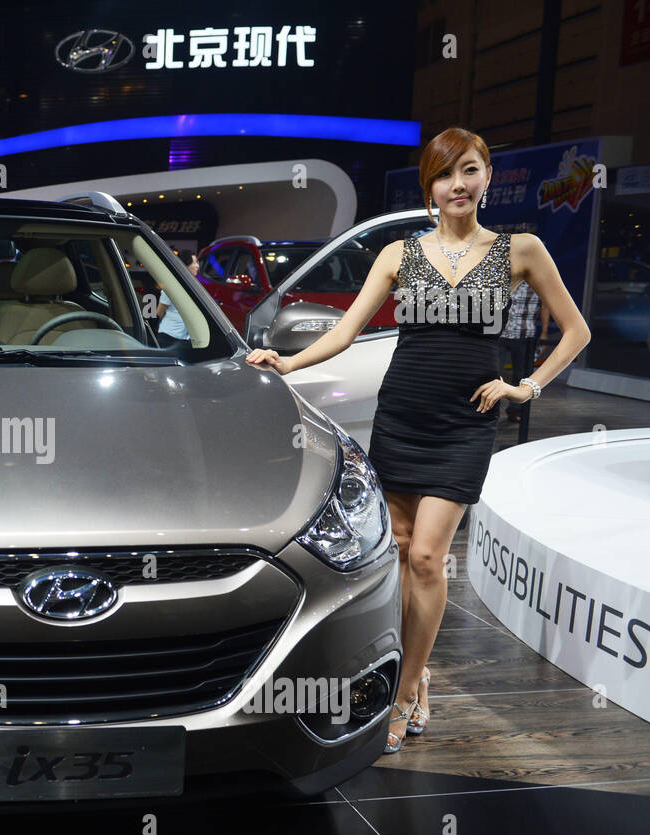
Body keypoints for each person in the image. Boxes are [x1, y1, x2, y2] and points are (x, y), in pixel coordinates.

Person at [245, 126, 591, 756]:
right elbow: (345, 332)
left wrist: (526, 387)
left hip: (465, 423)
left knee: (429, 558)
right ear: (429, 187)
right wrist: (287, 364)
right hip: (403, 414)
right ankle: (417, 672)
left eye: (467, 171)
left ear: (486, 176)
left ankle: (402, 697)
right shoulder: (400, 254)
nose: (455, 185)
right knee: (399, 552)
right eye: (442, 175)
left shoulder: (522, 250)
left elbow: (576, 331)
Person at [500, 280, 550, 422]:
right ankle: (488, 409)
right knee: (492, 373)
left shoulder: (535, 279)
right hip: (498, 332)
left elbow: (545, 304)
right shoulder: (504, 276)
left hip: (525, 333)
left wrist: (544, 332)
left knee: (522, 376)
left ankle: (515, 409)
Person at [156, 249, 196, 349]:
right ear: (186, 265)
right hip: (169, 337)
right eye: (195, 262)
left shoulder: (193, 286)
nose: (197, 266)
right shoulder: (172, 286)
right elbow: (160, 312)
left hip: (184, 339)